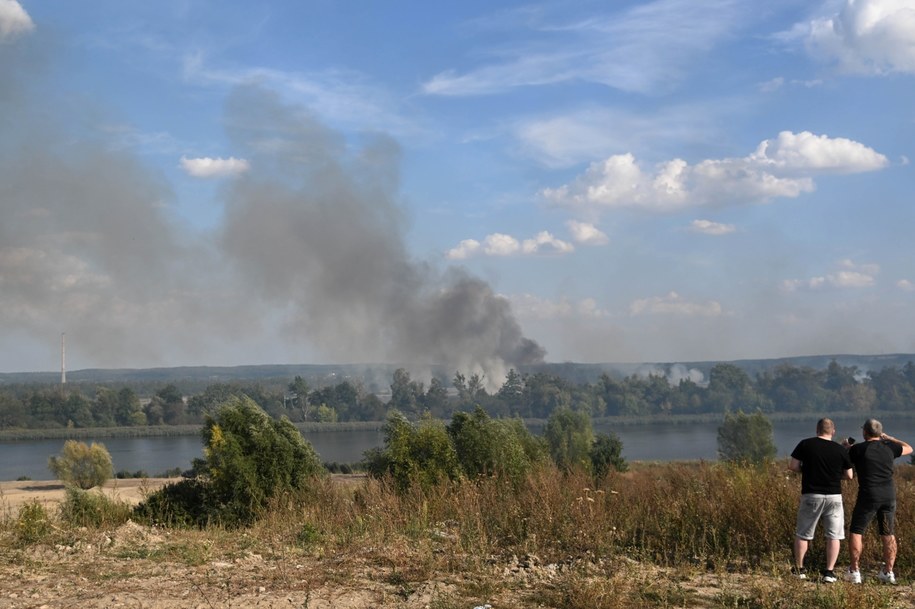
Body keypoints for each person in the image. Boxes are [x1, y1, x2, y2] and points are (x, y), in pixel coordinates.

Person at [845, 418, 913, 584]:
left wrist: (846, 446)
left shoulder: (859, 449)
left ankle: (854, 570)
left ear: (864, 432)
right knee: (888, 533)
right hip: (888, 496)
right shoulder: (890, 447)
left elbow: (845, 457)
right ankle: (888, 572)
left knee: (857, 531)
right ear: (879, 433)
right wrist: (889, 438)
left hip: (868, 495)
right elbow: (909, 448)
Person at [788, 418, 853, 582]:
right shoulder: (840, 450)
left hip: (811, 495)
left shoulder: (805, 444)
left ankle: (800, 569)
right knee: (834, 535)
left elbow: (793, 466)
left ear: (817, 430)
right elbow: (849, 475)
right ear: (833, 431)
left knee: (803, 533)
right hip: (834, 497)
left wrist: (808, 470)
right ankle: (829, 572)